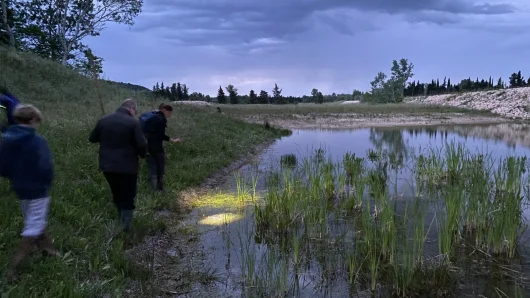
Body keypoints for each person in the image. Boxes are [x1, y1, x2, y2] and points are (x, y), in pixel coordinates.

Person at [0, 104, 59, 282]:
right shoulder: (36, 141)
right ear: (33, 119)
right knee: (33, 226)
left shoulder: (6, 139)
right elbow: (45, 166)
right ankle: (14, 267)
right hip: (38, 188)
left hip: (20, 188)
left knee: (35, 219)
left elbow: (2, 167)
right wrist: (48, 180)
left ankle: (49, 250)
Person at [88, 99, 147, 232]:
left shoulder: (104, 120)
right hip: (128, 166)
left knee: (117, 192)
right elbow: (142, 144)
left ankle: (121, 220)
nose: (134, 113)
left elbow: (92, 138)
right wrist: (143, 155)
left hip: (107, 165)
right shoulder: (133, 122)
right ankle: (126, 227)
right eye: (134, 111)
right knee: (128, 194)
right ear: (131, 108)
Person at [143, 104, 180, 191]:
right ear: (164, 110)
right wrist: (172, 140)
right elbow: (161, 135)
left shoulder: (151, 117)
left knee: (152, 168)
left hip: (147, 147)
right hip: (157, 148)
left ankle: (153, 190)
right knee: (160, 169)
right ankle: (160, 189)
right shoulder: (161, 119)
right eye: (169, 113)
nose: (169, 115)